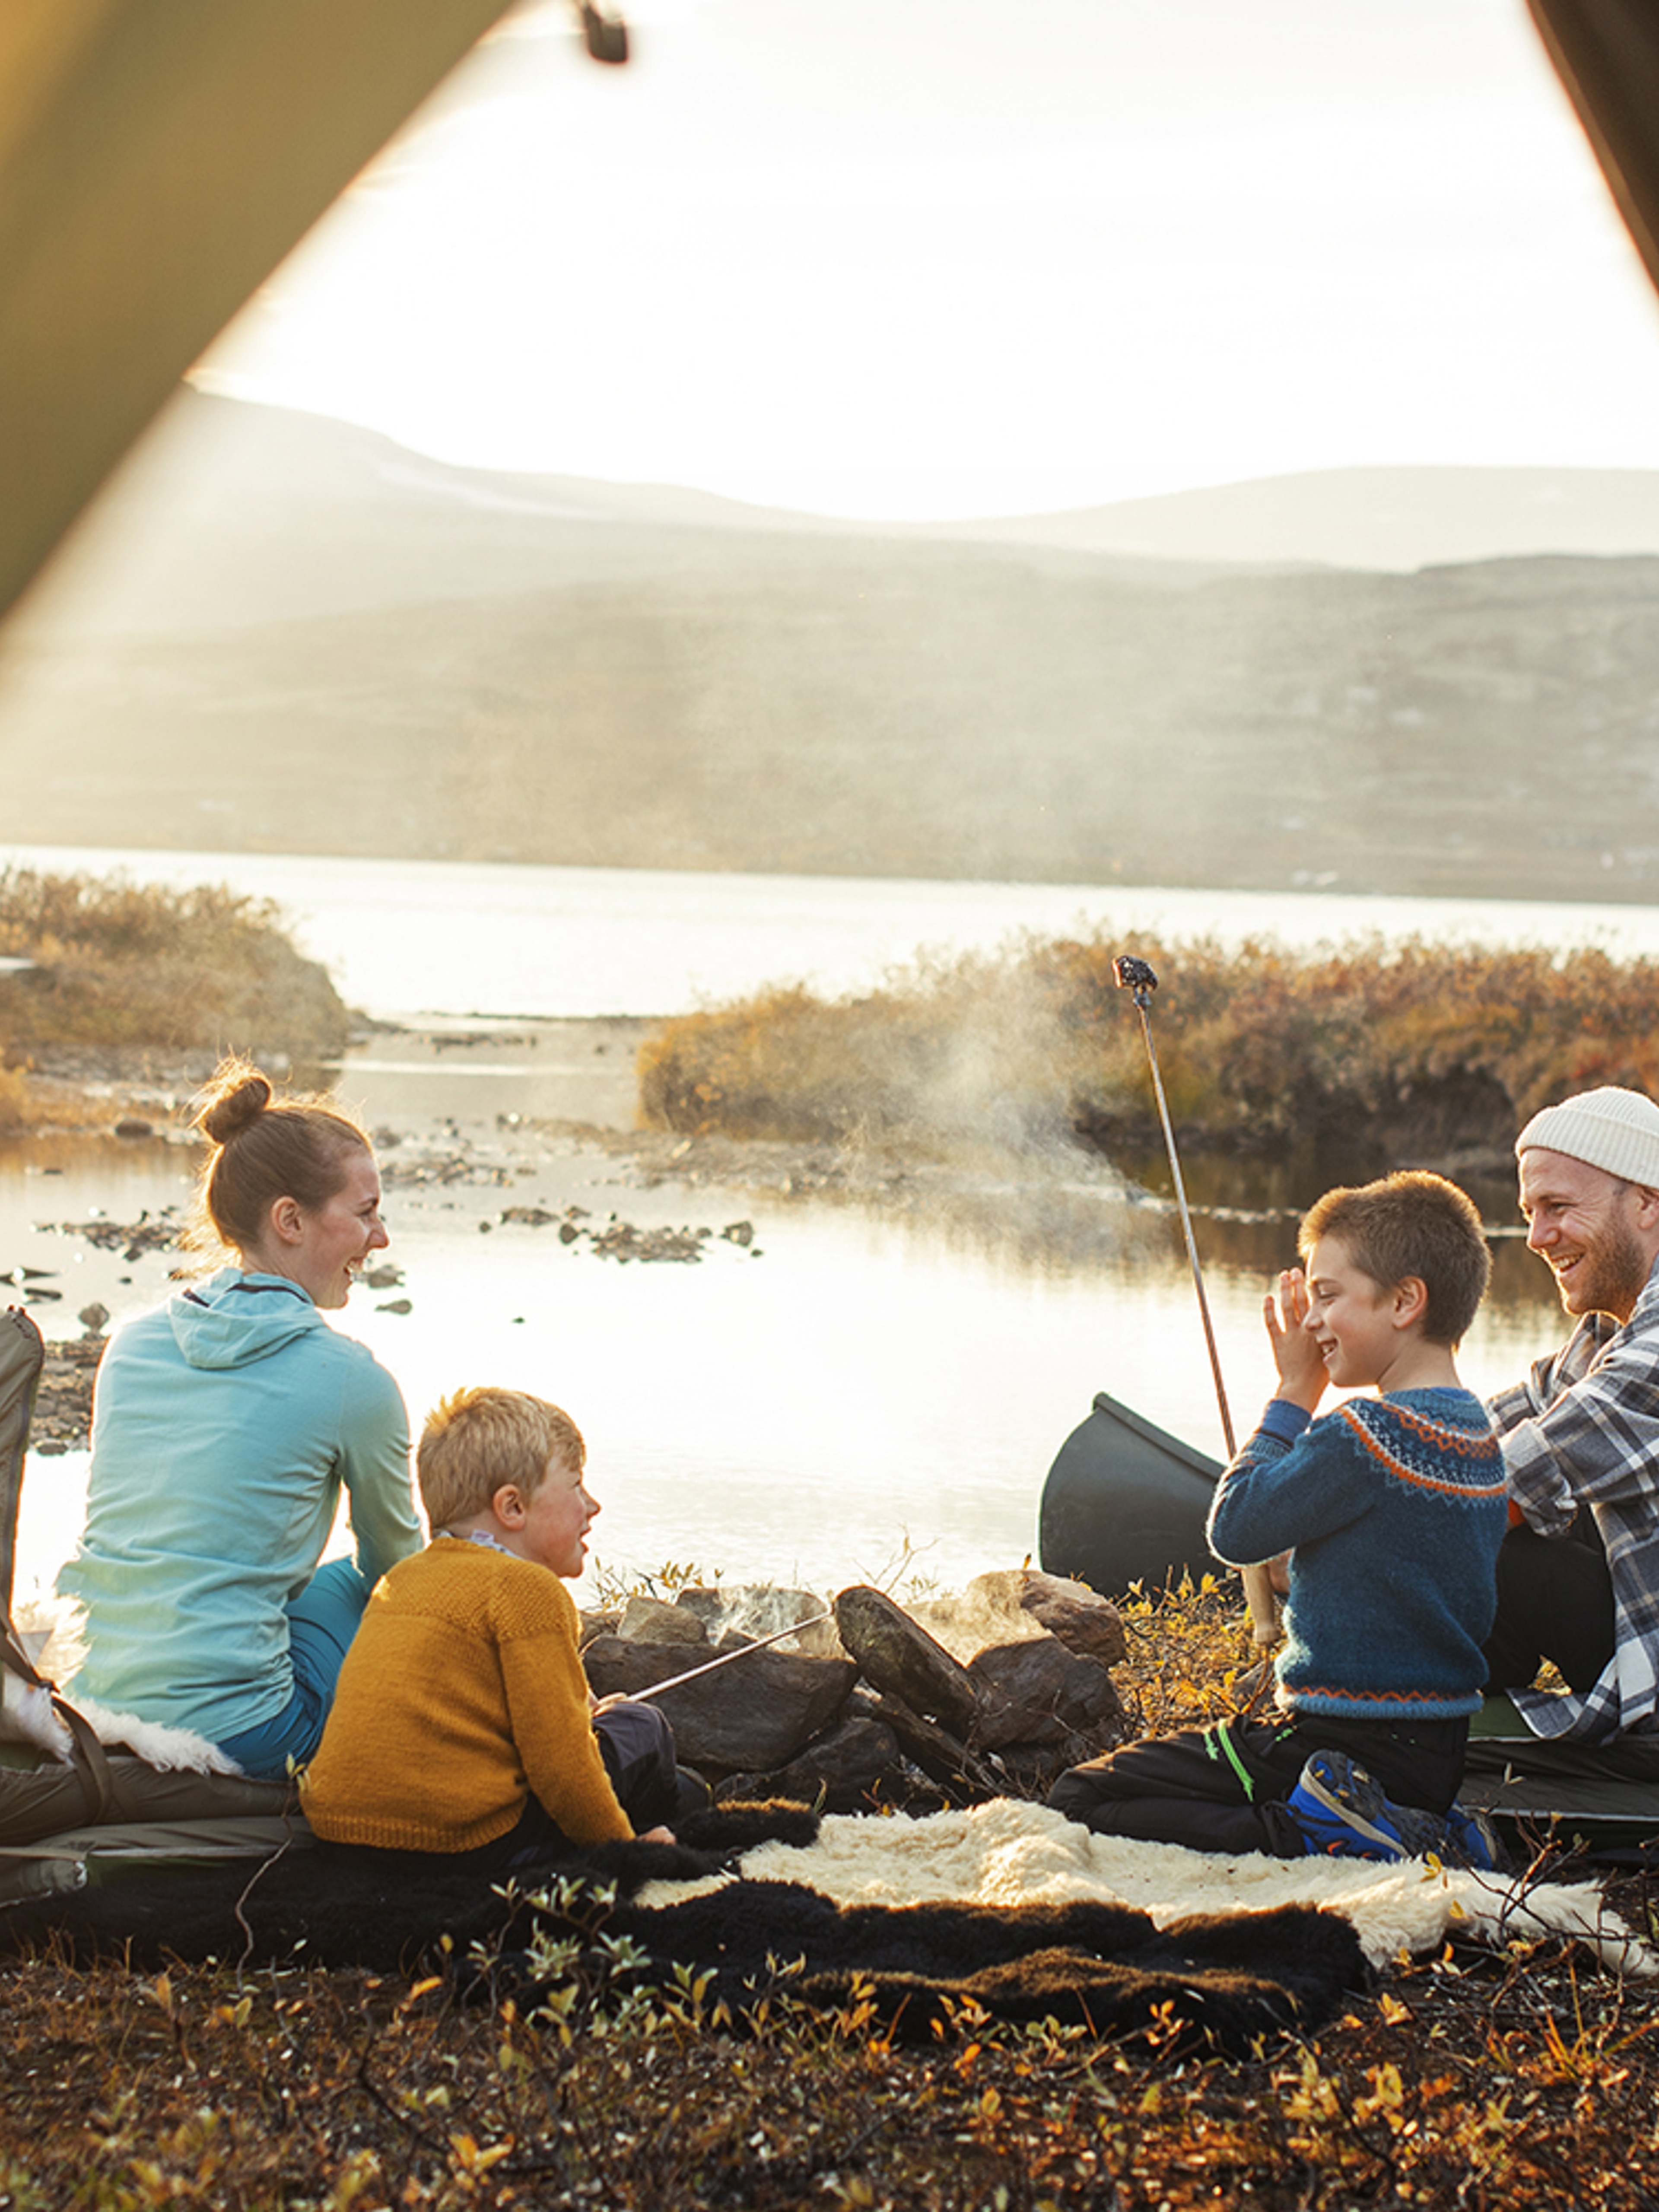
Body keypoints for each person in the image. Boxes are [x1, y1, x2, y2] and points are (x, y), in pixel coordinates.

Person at [1049, 1170, 1508, 1862]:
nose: (1312, 1320)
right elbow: (1400, 1574)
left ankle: (1312, 1835)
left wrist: (1296, 1392)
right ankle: (1421, 1830)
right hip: (1435, 1759)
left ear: (1406, 1300)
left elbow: (1234, 1529)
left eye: (1327, 1296)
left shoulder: (1364, 1434)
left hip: (1335, 1745)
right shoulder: (1481, 1441)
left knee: (1081, 1798)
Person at [57, 1057, 421, 1778]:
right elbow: (399, 1573)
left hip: (95, 1705)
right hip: (249, 1736)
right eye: (367, 1212)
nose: (380, 1239)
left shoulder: (130, 1345)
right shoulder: (354, 1381)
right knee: (353, 1579)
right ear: (290, 1220)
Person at [302, 1386, 699, 1869]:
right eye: (576, 1485)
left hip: (345, 1833)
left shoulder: (403, 1577)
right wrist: (622, 1852)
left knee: (625, 1736)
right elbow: (563, 1769)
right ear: (513, 1507)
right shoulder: (528, 1589)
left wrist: (585, 1707)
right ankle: (654, 1834)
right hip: (463, 1844)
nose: (592, 1505)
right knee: (643, 1725)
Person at [1482, 1085, 1659, 1742]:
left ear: (1646, 1201)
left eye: (1557, 1207)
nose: (1535, 1237)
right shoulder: (1605, 1334)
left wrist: (1333, 1522)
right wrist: (1350, 1457)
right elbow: (1492, 1425)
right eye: (1530, 1211)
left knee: (1499, 1555)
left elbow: (1503, 1482)